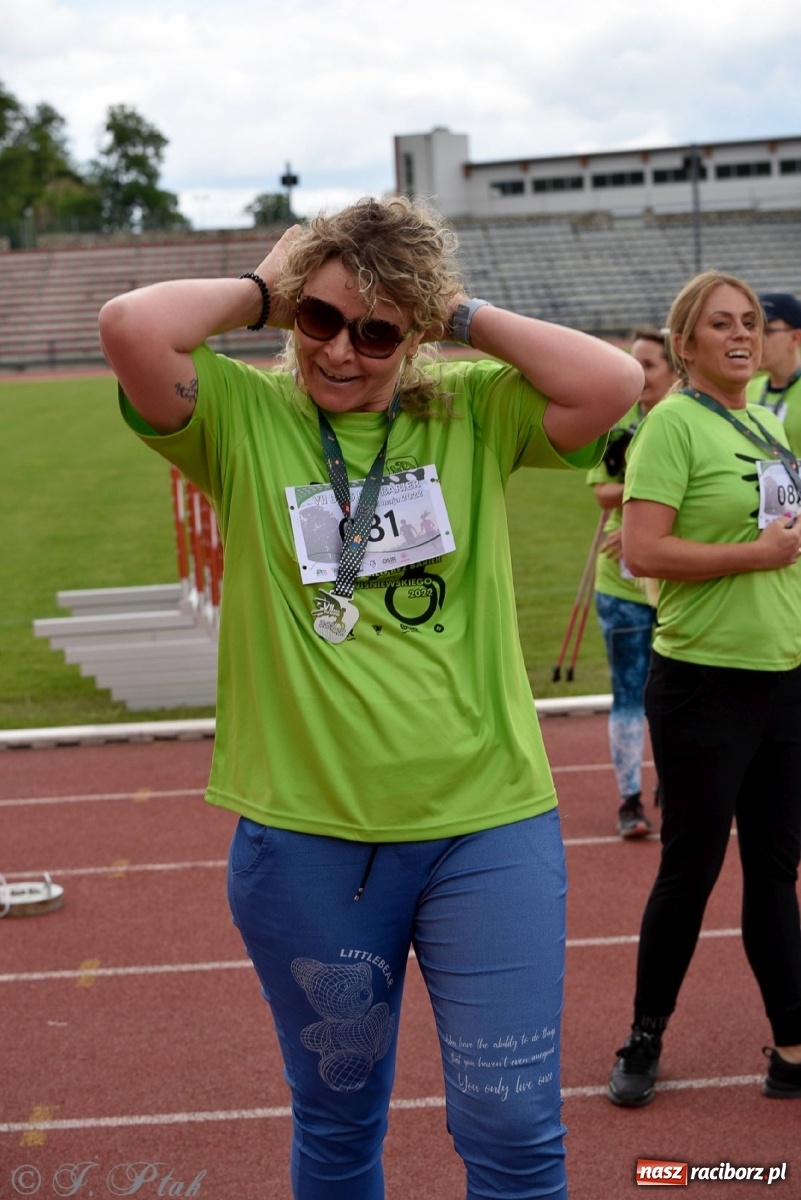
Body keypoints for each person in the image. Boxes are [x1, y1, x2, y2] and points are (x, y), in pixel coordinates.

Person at [98, 195, 643, 1199]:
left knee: (515, 1125)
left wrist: (457, 313)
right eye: (321, 321)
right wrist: (269, 288)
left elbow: (614, 380)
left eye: (379, 331)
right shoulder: (245, 417)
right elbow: (132, 325)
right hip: (309, 843)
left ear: (417, 335)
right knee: (341, 1121)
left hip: (486, 829)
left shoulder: (470, 408)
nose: (342, 351)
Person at [606, 270, 801, 1109]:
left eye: (750, 323)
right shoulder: (671, 426)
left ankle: (791, 1048)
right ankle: (644, 1038)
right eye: (720, 324)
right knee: (690, 867)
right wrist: (752, 557)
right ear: (684, 343)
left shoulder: (765, 422)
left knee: (775, 872)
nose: (740, 336)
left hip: (784, 680)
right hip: (702, 684)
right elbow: (640, 552)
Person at [586, 326, 678, 838]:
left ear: (675, 370)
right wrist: (639, 514)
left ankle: (674, 781)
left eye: (650, 365)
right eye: (633, 362)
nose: (639, 374)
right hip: (621, 587)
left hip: (680, 584)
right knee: (627, 693)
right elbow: (601, 493)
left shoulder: (690, 424)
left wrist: (643, 527)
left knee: (678, 693)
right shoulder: (617, 425)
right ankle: (629, 800)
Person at [745, 292, 801, 454]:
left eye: (767, 332)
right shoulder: (746, 390)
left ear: (795, 338)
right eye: (754, 330)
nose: (756, 340)